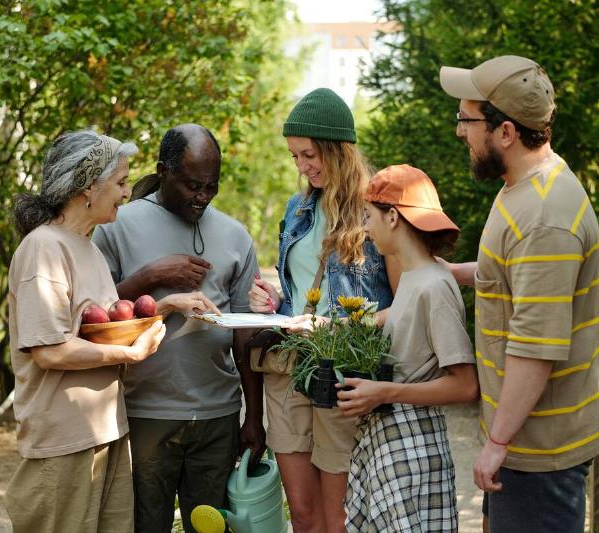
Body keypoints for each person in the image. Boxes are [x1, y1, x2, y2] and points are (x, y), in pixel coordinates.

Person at [439, 55, 599, 532]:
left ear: (506, 132)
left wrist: (497, 442)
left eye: (467, 119)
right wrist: (451, 273)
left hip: (539, 453)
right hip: (527, 441)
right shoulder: (525, 187)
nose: (460, 130)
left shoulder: (544, 218)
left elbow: (537, 348)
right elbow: (518, 278)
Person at [92, 124, 265, 533]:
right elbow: (93, 315)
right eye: (192, 185)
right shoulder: (117, 224)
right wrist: (150, 275)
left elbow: (245, 333)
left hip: (217, 415)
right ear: (163, 171)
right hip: (143, 412)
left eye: (211, 186)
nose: (202, 197)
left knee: (212, 528)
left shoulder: (235, 235)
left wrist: (253, 416)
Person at [5, 130, 173, 533]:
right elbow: (50, 351)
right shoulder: (43, 248)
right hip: (62, 443)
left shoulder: (89, 247)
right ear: (87, 187)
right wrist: (131, 355)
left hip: (106, 432)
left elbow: (99, 328)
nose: (127, 192)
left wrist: (164, 308)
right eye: (120, 182)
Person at [249, 88, 395, 533]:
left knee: (339, 518)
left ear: (337, 149)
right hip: (291, 366)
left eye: (309, 154)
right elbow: (299, 291)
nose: (302, 166)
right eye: (295, 156)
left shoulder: (376, 211)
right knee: (304, 514)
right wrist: (275, 303)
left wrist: (340, 324)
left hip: (344, 372)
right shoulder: (296, 210)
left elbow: (405, 301)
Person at [325, 164, 478, 531]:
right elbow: (401, 317)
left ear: (393, 216)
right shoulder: (414, 277)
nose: (365, 228)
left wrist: (384, 392)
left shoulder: (435, 285)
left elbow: (465, 384)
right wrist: (335, 324)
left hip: (414, 445)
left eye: (368, 216)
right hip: (394, 441)